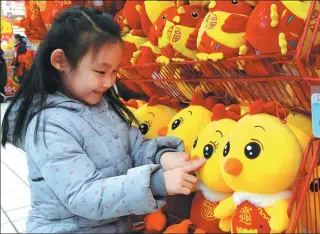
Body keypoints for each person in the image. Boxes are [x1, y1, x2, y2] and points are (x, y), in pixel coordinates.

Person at [1, 6, 205, 233]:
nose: (109, 82)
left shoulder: (103, 106)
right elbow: (84, 195)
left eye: (115, 71)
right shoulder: (49, 126)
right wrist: (157, 182)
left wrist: (163, 157)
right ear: (61, 61)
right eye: (100, 71)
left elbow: (134, 148)